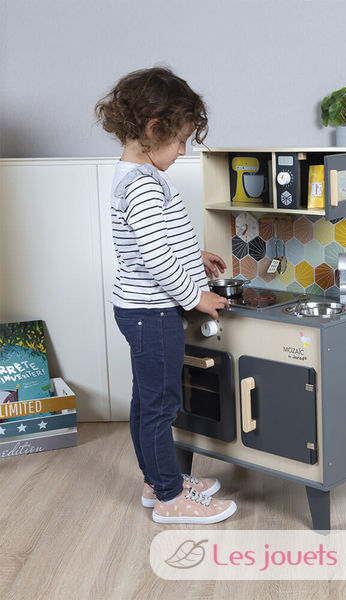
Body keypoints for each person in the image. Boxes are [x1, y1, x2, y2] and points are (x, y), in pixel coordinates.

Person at [95, 67, 237, 524]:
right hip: (152, 313)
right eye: (180, 141)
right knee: (161, 407)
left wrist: (196, 255)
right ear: (154, 129)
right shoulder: (142, 184)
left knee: (147, 402)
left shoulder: (135, 176)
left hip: (138, 310)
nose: (182, 152)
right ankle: (171, 498)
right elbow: (157, 259)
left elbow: (157, 242)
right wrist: (197, 297)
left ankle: (157, 481)